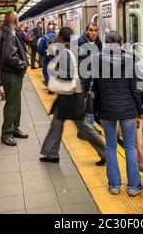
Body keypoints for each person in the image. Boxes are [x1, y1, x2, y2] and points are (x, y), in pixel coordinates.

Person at [40, 27, 106, 166]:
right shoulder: (75, 49)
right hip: (71, 94)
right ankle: (51, 153)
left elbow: (68, 73)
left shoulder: (65, 52)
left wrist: (55, 71)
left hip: (71, 95)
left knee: (83, 126)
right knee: (58, 124)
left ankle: (106, 152)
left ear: (59, 38)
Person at [94, 31, 143, 196]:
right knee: (130, 146)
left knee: (110, 146)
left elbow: (97, 89)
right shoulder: (129, 59)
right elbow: (134, 90)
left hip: (107, 109)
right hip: (128, 109)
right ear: (121, 43)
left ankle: (114, 186)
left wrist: (96, 110)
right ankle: (134, 187)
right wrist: (140, 111)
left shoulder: (97, 59)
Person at [0, 11, 29, 146]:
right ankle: (7, 133)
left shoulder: (1, 30)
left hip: (8, 72)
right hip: (11, 73)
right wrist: (23, 65)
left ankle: (15, 128)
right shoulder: (9, 33)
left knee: (16, 101)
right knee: (11, 103)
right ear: (15, 20)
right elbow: (9, 56)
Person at [72, 22, 104, 140]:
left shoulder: (99, 43)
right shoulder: (78, 43)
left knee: (90, 105)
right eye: (91, 30)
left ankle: (89, 128)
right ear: (86, 31)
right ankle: (82, 131)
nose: (94, 33)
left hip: (94, 80)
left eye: (96, 30)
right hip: (82, 80)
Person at [38, 23, 57, 88]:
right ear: (54, 29)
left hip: (47, 57)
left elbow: (40, 48)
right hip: (56, 57)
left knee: (46, 71)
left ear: (48, 29)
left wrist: (43, 54)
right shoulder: (58, 36)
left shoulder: (44, 37)